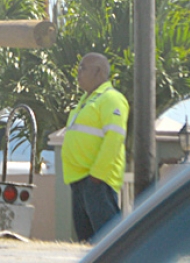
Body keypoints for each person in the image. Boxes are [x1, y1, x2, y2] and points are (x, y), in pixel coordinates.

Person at [62, 52, 129, 242]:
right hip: (80, 179)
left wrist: (97, 175)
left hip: (97, 181)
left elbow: (114, 137)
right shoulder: (86, 101)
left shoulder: (111, 99)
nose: (78, 73)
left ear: (98, 71)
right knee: (86, 240)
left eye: (83, 68)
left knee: (108, 239)